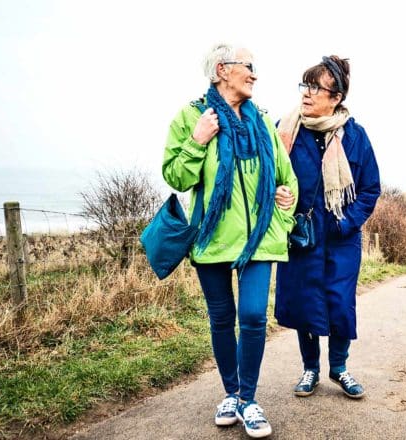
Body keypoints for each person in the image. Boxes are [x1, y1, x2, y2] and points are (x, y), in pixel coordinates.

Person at [162, 43, 297, 438]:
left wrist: (284, 208)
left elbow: (287, 180)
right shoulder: (191, 117)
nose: (254, 75)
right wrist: (198, 140)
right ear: (222, 70)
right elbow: (177, 177)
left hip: (259, 241)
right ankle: (232, 392)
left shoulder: (263, 123)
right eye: (248, 67)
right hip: (213, 240)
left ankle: (248, 400)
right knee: (222, 319)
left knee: (253, 317)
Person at [274, 55, 381, 400]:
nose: (307, 93)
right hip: (301, 236)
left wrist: (347, 223)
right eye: (305, 85)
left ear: (336, 97)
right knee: (305, 304)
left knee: (339, 302)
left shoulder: (356, 137)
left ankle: (339, 367)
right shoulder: (285, 130)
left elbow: (370, 189)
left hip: (341, 239)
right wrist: (280, 200)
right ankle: (310, 370)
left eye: (316, 87)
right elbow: (271, 178)